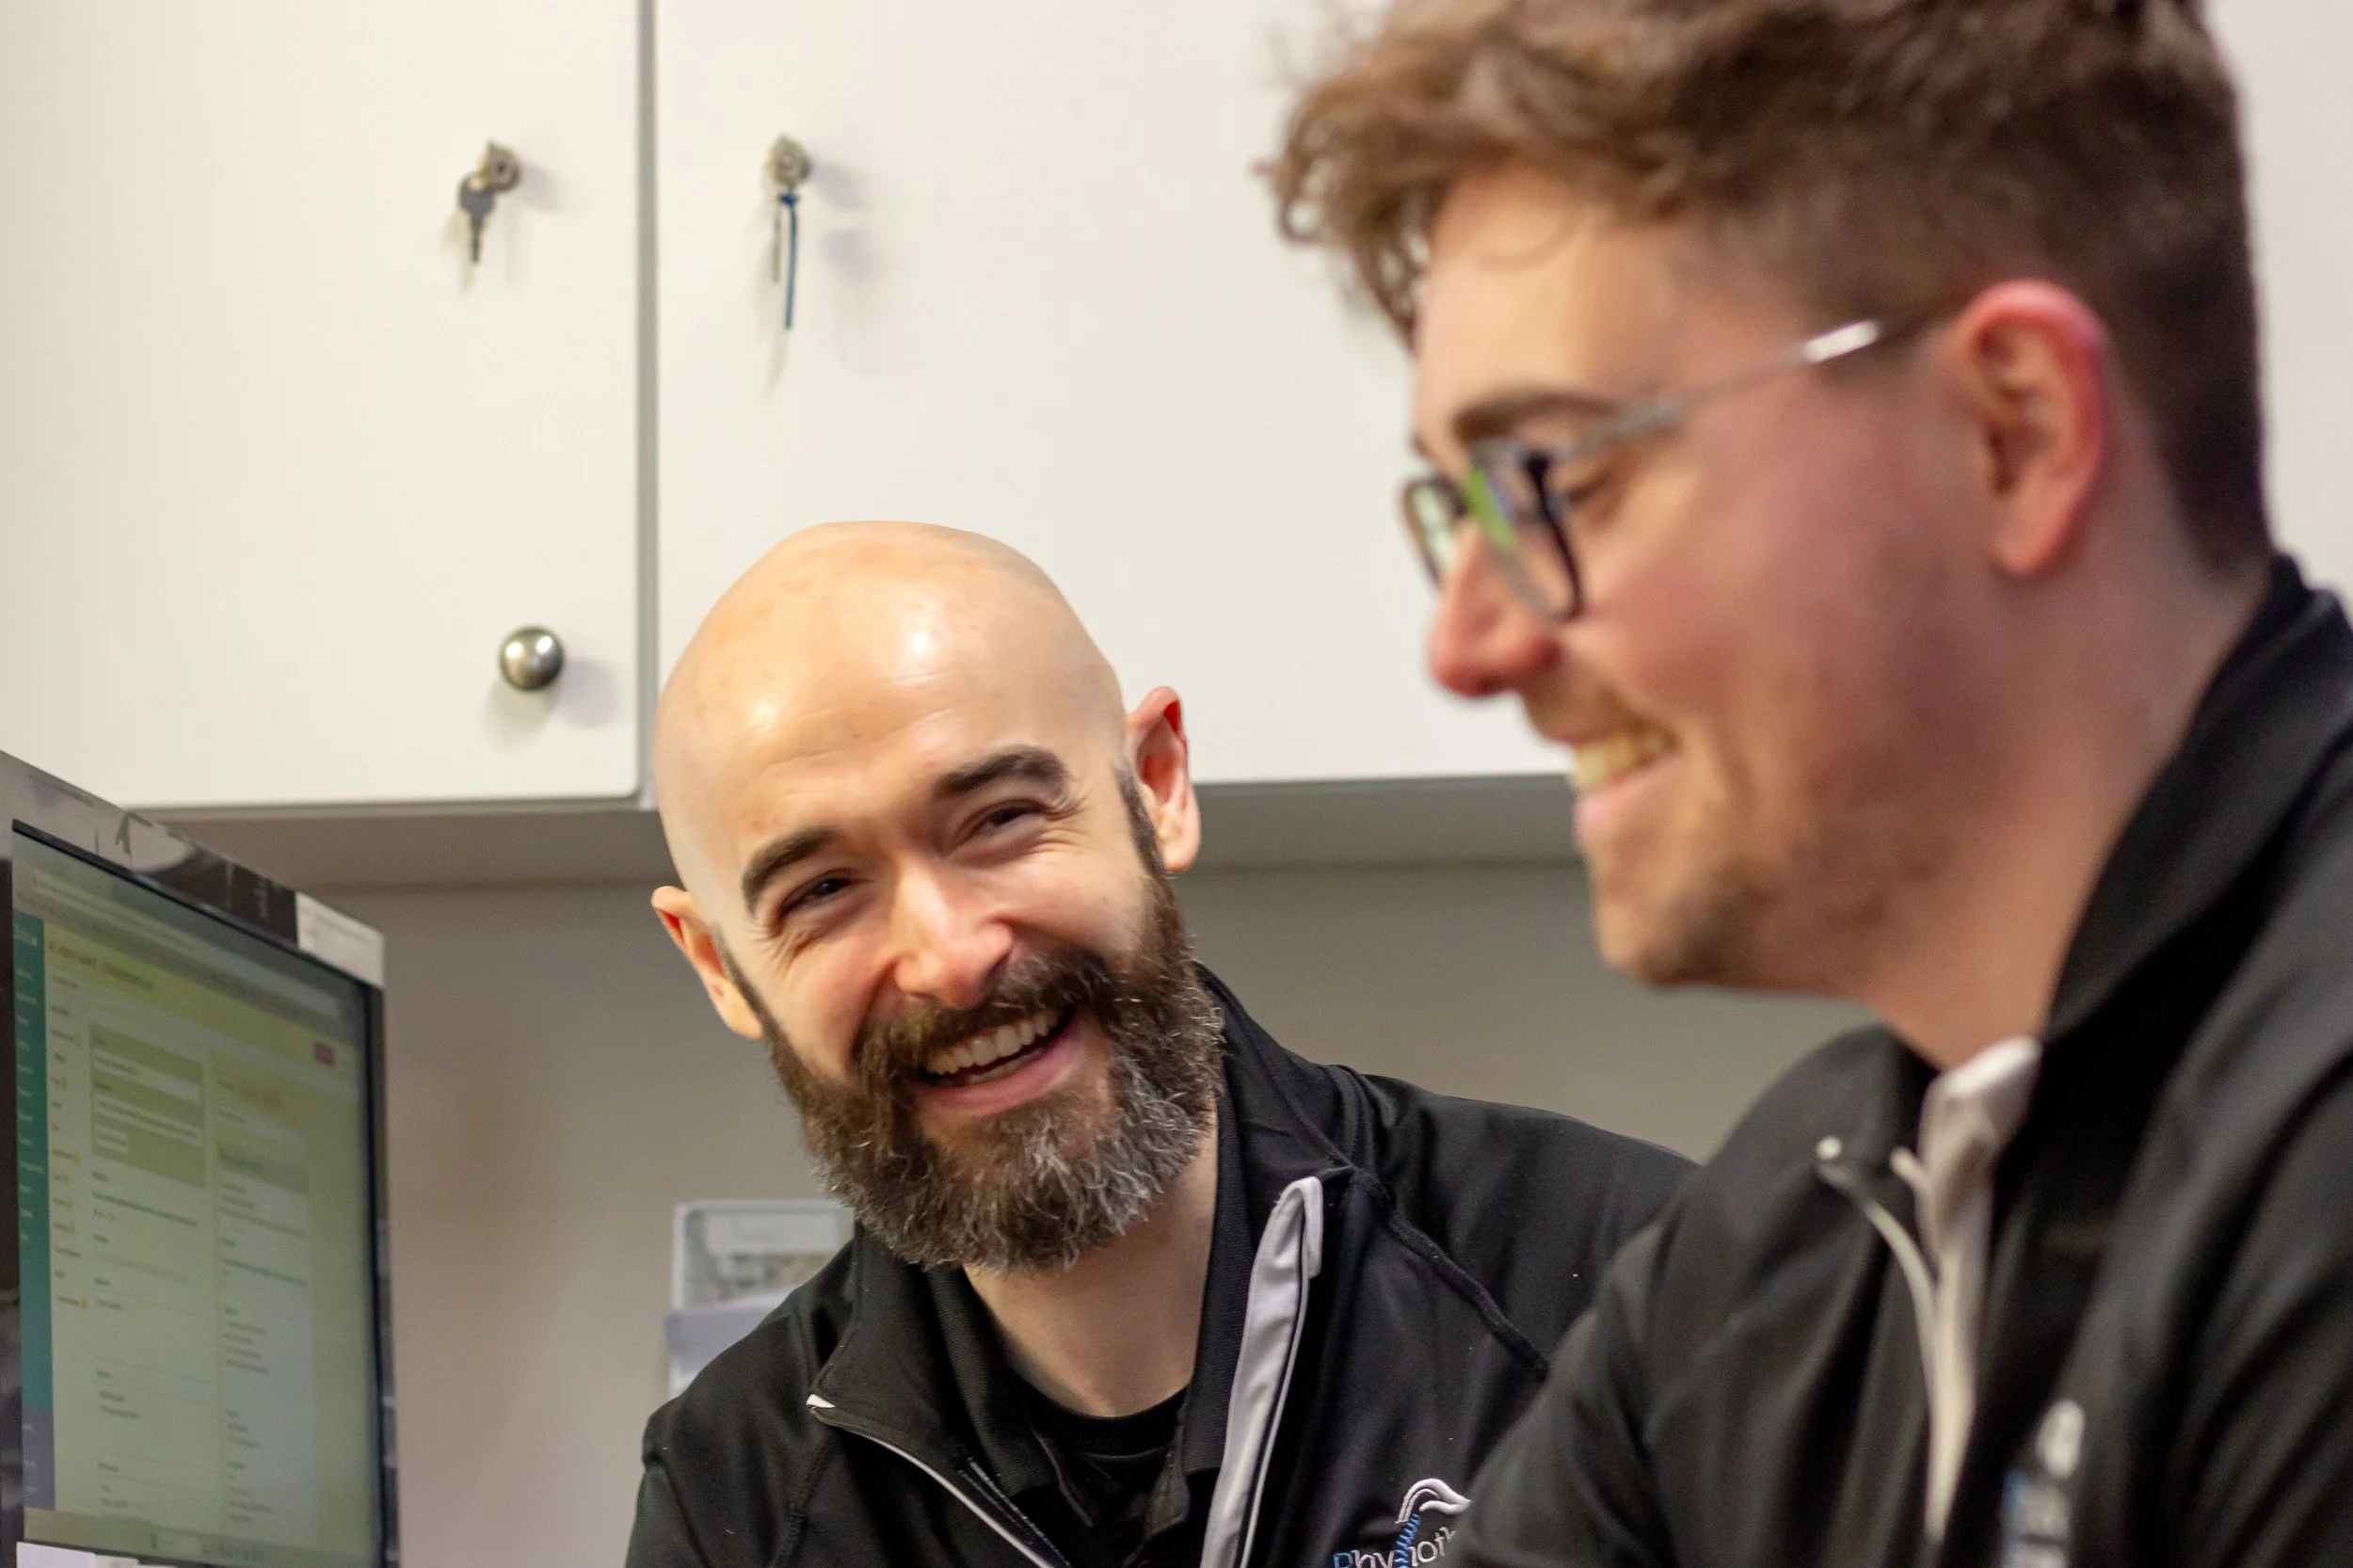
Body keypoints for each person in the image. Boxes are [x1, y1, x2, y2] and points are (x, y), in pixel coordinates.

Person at [1270, 0, 2353, 1564]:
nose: (1470, 641)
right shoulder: (1786, 1238)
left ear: (2013, 432)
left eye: (1554, 480)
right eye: (1461, 513)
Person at [624, 521, 1689, 1568]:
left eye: (998, 819)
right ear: (718, 964)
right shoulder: (738, 1489)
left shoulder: (1630, 1287)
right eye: (821, 892)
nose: (947, 957)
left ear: (1157, 784)